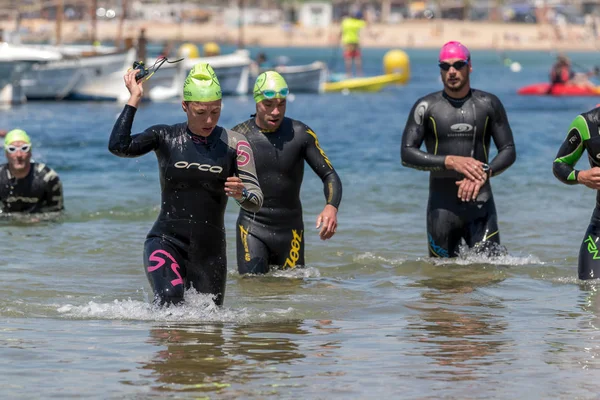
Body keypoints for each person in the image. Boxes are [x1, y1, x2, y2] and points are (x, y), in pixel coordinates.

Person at [108, 63, 263, 306]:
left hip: (210, 253)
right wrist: (135, 98)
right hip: (166, 241)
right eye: (200, 112)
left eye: (215, 111)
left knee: (208, 329)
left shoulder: (235, 143)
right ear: (185, 106)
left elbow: (256, 200)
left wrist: (242, 193)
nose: (209, 119)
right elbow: (119, 146)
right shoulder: (165, 136)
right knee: (169, 301)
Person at [400, 41, 516, 258]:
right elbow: (406, 154)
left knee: (488, 278)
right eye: (445, 67)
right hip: (441, 211)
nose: (451, 71)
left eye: (458, 65)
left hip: (481, 205)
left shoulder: (489, 104)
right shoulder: (425, 107)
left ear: (469, 66)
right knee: (443, 283)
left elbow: (508, 150)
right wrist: (450, 161)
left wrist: (485, 172)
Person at [230, 71, 342, 274]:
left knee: (292, 296)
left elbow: (329, 176)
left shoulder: (300, 134)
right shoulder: (238, 136)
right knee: (252, 291)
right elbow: (215, 181)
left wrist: (331, 206)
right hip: (252, 228)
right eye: (268, 104)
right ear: (256, 102)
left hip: (291, 232)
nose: (275, 111)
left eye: (281, 104)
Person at [552, 106, 600, 280]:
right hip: (599, 227)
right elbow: (560, 164)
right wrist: (582, 176)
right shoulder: (586, 123)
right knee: (590, 290)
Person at [0, 129, 64, 214]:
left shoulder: (48, 178)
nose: (19, 154)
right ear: (6, 153)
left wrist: (40, 219)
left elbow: (57, 213)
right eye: (12, 149)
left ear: (30, 152)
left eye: (24, 148)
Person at [340, 9, 366, 77]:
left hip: (347, 41)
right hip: (355, 41)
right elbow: (364, 23)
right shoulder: (358, 22)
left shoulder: (345, 22)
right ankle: (359, 74)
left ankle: (348, 74)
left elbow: (341, 31)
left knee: (348, 58)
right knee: (357, 58)